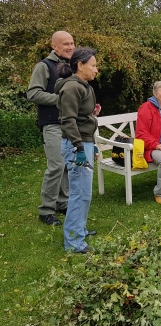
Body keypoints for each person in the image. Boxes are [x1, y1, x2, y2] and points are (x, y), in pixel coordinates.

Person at [27, 31, 75, 226]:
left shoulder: (72, 66)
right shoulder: (44, 66)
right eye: (66, 44)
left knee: (67, 165)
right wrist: (60, 99)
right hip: (52, 124)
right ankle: (46, 210)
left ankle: (63, 203)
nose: (70, 47)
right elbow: (33, 93)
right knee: (56, 165)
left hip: (69, 123)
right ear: (54, 46)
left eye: (72, 43)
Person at [55, 47, 99, 253]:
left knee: (85, 193)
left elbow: (81, 118)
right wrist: (79, 147)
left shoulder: (84, 86)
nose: (96, 69)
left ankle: (79, 229)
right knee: (79, 193)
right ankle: (73, 242)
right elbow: (68, 121)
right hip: (76, 146)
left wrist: (91, 142)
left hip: (84, 142)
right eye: (93, 65)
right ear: (80, 65)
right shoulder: (72, 87)